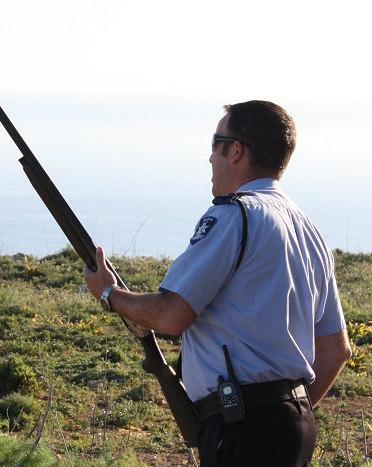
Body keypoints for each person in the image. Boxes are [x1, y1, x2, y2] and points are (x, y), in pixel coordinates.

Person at [83, 100, 351, 466]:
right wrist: (284, 410)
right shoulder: (308, 229)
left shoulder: (235, 215)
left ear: (235, 150)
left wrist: (110, 294)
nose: (210, 157)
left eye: (215, 143)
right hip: (295, 425)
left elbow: (172, 314)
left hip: (243, 431)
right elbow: (337, 350)